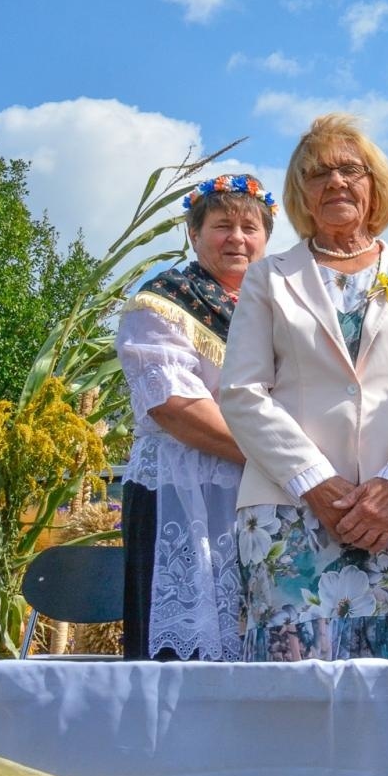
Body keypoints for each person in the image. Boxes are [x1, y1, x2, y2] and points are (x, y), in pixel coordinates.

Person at [221, 114, 388, 662]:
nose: (335, 182)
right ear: (300, 193)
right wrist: (316, 483)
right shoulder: (269, 277)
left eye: (350, 169)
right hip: (290, 507)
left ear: (374, 184)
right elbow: (242, 390)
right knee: (291, 687)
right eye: (317, 173)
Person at [118, 173, 274, 660]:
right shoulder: (163, 300)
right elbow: (175, 407)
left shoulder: (279, 308)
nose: (238, 238)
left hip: (262, 495)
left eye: (251, 227)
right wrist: (280, 462)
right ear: (194, 233)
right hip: (182, 494)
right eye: (222, 225)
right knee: (183, 649)